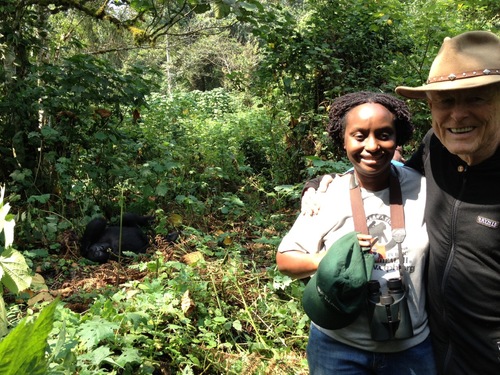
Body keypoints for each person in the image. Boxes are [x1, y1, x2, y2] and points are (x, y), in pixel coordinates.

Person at [303, 30, 500, 375]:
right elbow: (385, 175)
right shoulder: (437, 147)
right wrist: (322, 182)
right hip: (434, 348)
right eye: (444, 101)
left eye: (476, 98)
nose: (457, 115)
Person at [277, 92, 436, 374]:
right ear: (344, 140)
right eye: (359, 136)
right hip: (338, 348)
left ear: (397, 138)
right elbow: (285, 260)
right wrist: (328, 259)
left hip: (412, 349)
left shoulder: (425, 190)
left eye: (384, 134)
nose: (372, 146)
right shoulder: (326, 195)